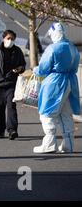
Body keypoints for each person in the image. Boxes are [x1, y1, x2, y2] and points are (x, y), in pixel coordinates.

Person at [33, 23, 80, 154]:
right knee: (65, 113)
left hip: (55, 82)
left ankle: (49, 144)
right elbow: (75, 67)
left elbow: (43, 69)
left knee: (47, 113)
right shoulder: (72, 47)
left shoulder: (53, 48)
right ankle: (68, 144)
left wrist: (35, 70)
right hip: (71, 81)